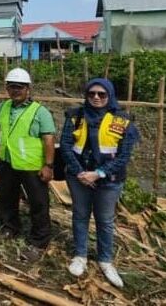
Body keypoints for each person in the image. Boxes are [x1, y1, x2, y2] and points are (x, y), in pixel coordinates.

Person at [60, 78, 138, 288]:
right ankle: (80, 256)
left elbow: (123, 156)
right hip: (78, 177)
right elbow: (66, 146)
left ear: (109, 96)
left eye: (101, 94)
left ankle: (105, 260)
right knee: (80, 216)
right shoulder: (75, 116)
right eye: (92, 93)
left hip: (109, 180)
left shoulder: (122, 120)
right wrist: (80, 173)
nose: (96, 97)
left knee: (105, 220)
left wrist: (98, 173)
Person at [0, 68, 56, 261]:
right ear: (7, 88)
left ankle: (40, 241)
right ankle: (11, 227)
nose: (15, 90)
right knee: (6, 198)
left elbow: (49, 140)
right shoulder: (3, 107)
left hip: (31, 166)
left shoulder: (40, 112)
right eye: (12, 87)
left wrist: (48, 165)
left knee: (38, 203)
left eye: (19, 87)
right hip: (7, 162)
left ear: (28, 89)